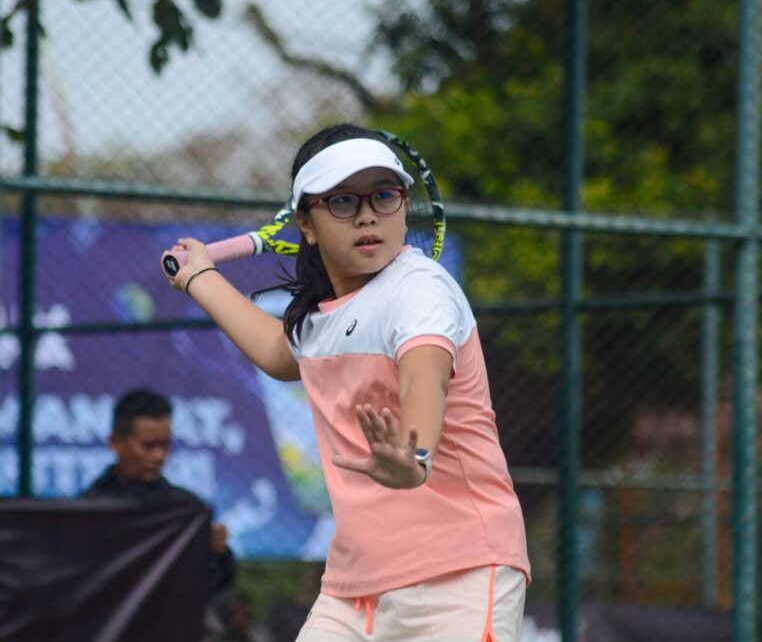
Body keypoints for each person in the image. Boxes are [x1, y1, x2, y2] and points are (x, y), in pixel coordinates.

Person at [164, 123, 530, 641]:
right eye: (342, 201)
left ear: (404, 206)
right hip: (354, 588)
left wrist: (415, 454)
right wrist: (200, 275)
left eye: (383, 195)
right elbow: (279, 351)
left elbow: (423, 376)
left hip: (460, 572)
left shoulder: (420, 290)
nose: (366, 214)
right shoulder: (324, 317)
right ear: (305, 224)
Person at [82, 388, 236, 598]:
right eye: (148, 446)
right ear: (116, 442)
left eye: (165, 445)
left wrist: (218, 553)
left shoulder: (185, 509)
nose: (159, 456)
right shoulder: (88, 510)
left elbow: (212, 586)